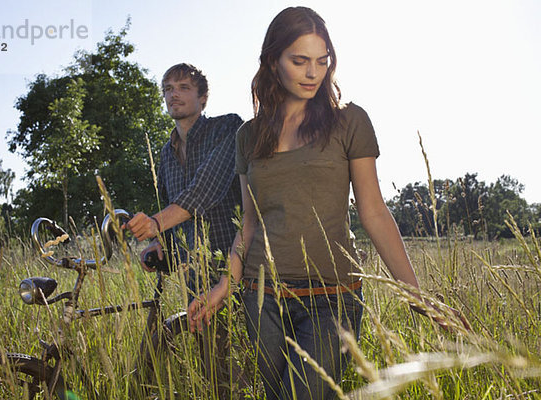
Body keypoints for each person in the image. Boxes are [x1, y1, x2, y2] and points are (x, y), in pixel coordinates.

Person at [187, 7, 468, 400]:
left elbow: (373, 212)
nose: (312, 73)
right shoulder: (248, 137)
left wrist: (417, 296)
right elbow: (249, 225)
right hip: (260, 296)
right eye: (299, 61)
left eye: (322, 61)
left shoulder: (348, 122)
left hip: (331, 297)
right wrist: (223, 286)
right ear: (273, 61)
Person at [125, 63, 243, 293]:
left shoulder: (228, 127)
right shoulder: (166, 153)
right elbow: (169, 207)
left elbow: (206, 188)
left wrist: (155, 223)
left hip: (236, 272)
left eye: (183, 87)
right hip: (194, 279)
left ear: (203, 99)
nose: (173, 94)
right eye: (168, 89)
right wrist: (159, 241)